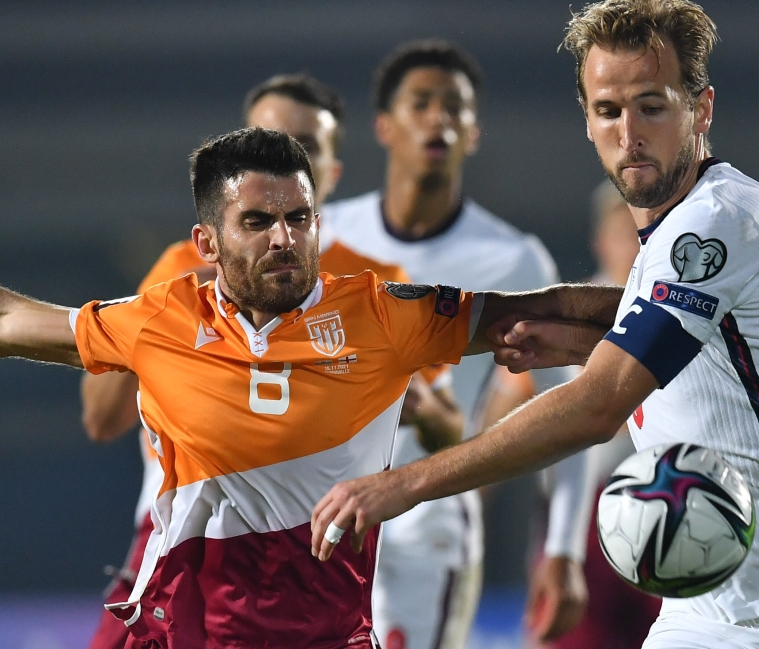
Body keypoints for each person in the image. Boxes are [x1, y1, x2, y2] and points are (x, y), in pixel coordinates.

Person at [311, 1, 759, 646]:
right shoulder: (664, 243)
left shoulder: (718, 218)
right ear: (587, 121)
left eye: (652, 106)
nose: (629, 132)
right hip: (707, 611)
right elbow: (623, 317)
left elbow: (599, 405)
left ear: (701, 109)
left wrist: (405, 484)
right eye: (608, 110)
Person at [0, 127, 619, 646]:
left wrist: (684, 312)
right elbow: (13, 319)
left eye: (299, 219)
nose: (284, 238)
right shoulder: (159, 319)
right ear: (206, 243)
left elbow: (547, 312)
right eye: (258, 221)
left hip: (328, 635)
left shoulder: (383, 314)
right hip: (186, 634)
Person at [80, 73, 464, 649]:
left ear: (327, 175)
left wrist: (420, 407)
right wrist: (149, 347)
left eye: (304, 144)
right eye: (267, 135)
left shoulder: (379, 290)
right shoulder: (184, 271)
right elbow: (101, 421)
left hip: (315, 567)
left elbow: (449, 429)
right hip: (182, 553)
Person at [321, 41, 593, 647]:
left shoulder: (514, 259)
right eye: (422, 103)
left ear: (473, 132)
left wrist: (564, 550)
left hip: (430, 518)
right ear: (385, 126)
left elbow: (572, 413)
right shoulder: (325, 236)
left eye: (455, 107)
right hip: (318, 510)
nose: (438, 118)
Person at [479, 180, 657, 649]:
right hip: (584, 522)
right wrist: (469, 504)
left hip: (672, 508)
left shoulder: (691, 312)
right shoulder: (568, 317)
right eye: (624, 233)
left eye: (644, 233)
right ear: (601, 240)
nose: (635, 247)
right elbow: (503, 409)